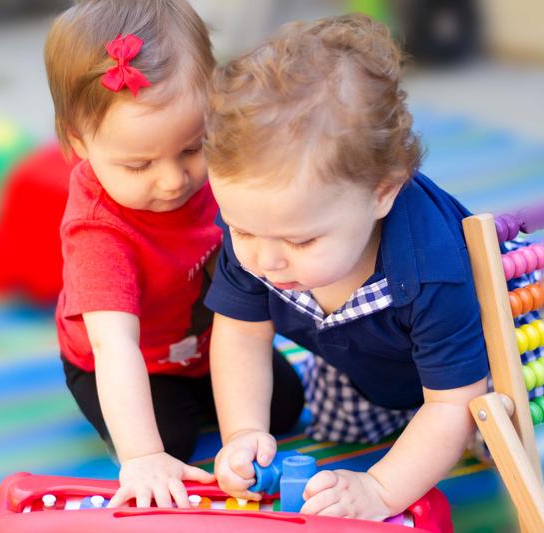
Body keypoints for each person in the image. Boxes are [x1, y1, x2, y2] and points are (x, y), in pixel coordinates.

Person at [204, 14, 489, 520]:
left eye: (301, 240)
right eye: (241, 230)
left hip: (472, 377)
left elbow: (451, 403)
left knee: (484, 436)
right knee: (340, 429)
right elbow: (241, 334)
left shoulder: (434, 270)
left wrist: (379, 490)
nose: (265, 260)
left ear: (382, 193)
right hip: (361, 365)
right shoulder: (261, 225)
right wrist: (244, 431)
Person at [44, 0, 304, 509]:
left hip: (207, 344)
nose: (172, 180)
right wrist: (142, 455)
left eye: (191, 148)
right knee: (168, 443)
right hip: (122, 360)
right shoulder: (98, 230)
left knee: (284, 408)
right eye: (139, 165)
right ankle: (131, 426)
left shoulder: (216, 171)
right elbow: (114, 345)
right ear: (80, 141)